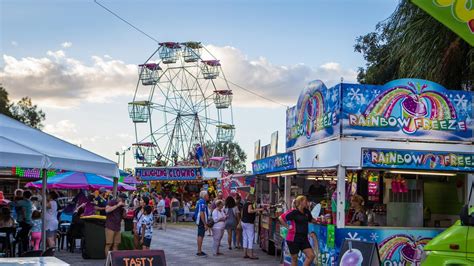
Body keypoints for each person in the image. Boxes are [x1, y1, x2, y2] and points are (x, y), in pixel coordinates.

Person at [279, 195, 316, 266]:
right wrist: (287, 226)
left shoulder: (306, 211)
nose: (307, 202)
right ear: (301, 202)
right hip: (293, 238)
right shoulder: (294, 212)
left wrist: (320, 220)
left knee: (311, 256)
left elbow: (311, 219)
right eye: (305, 200)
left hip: (304, 238)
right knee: (294, 259)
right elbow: (281, 218)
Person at [241, 194, 264, 260]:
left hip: (244, 222)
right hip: (249, 223)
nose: (255, 200)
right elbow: (250, 211)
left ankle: (245, 253)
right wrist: (258, 209)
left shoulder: (245, 204)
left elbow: (246, 213)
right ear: (252, 199)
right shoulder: (250, 204)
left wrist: (256, 213)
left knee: (245, 238)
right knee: (250, 238)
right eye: (254, 198)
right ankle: (251, 254)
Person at [195, 190, 209, 257]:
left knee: (199, 235)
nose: (208, 196)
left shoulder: (200, 201)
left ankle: (199, 250)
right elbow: (201, 213)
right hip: (201, 220)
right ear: (204, 196)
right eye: (207, 195)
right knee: (201, 235)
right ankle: (199, 251)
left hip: (199, 220)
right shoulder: (202, 202)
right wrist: (205, 224)